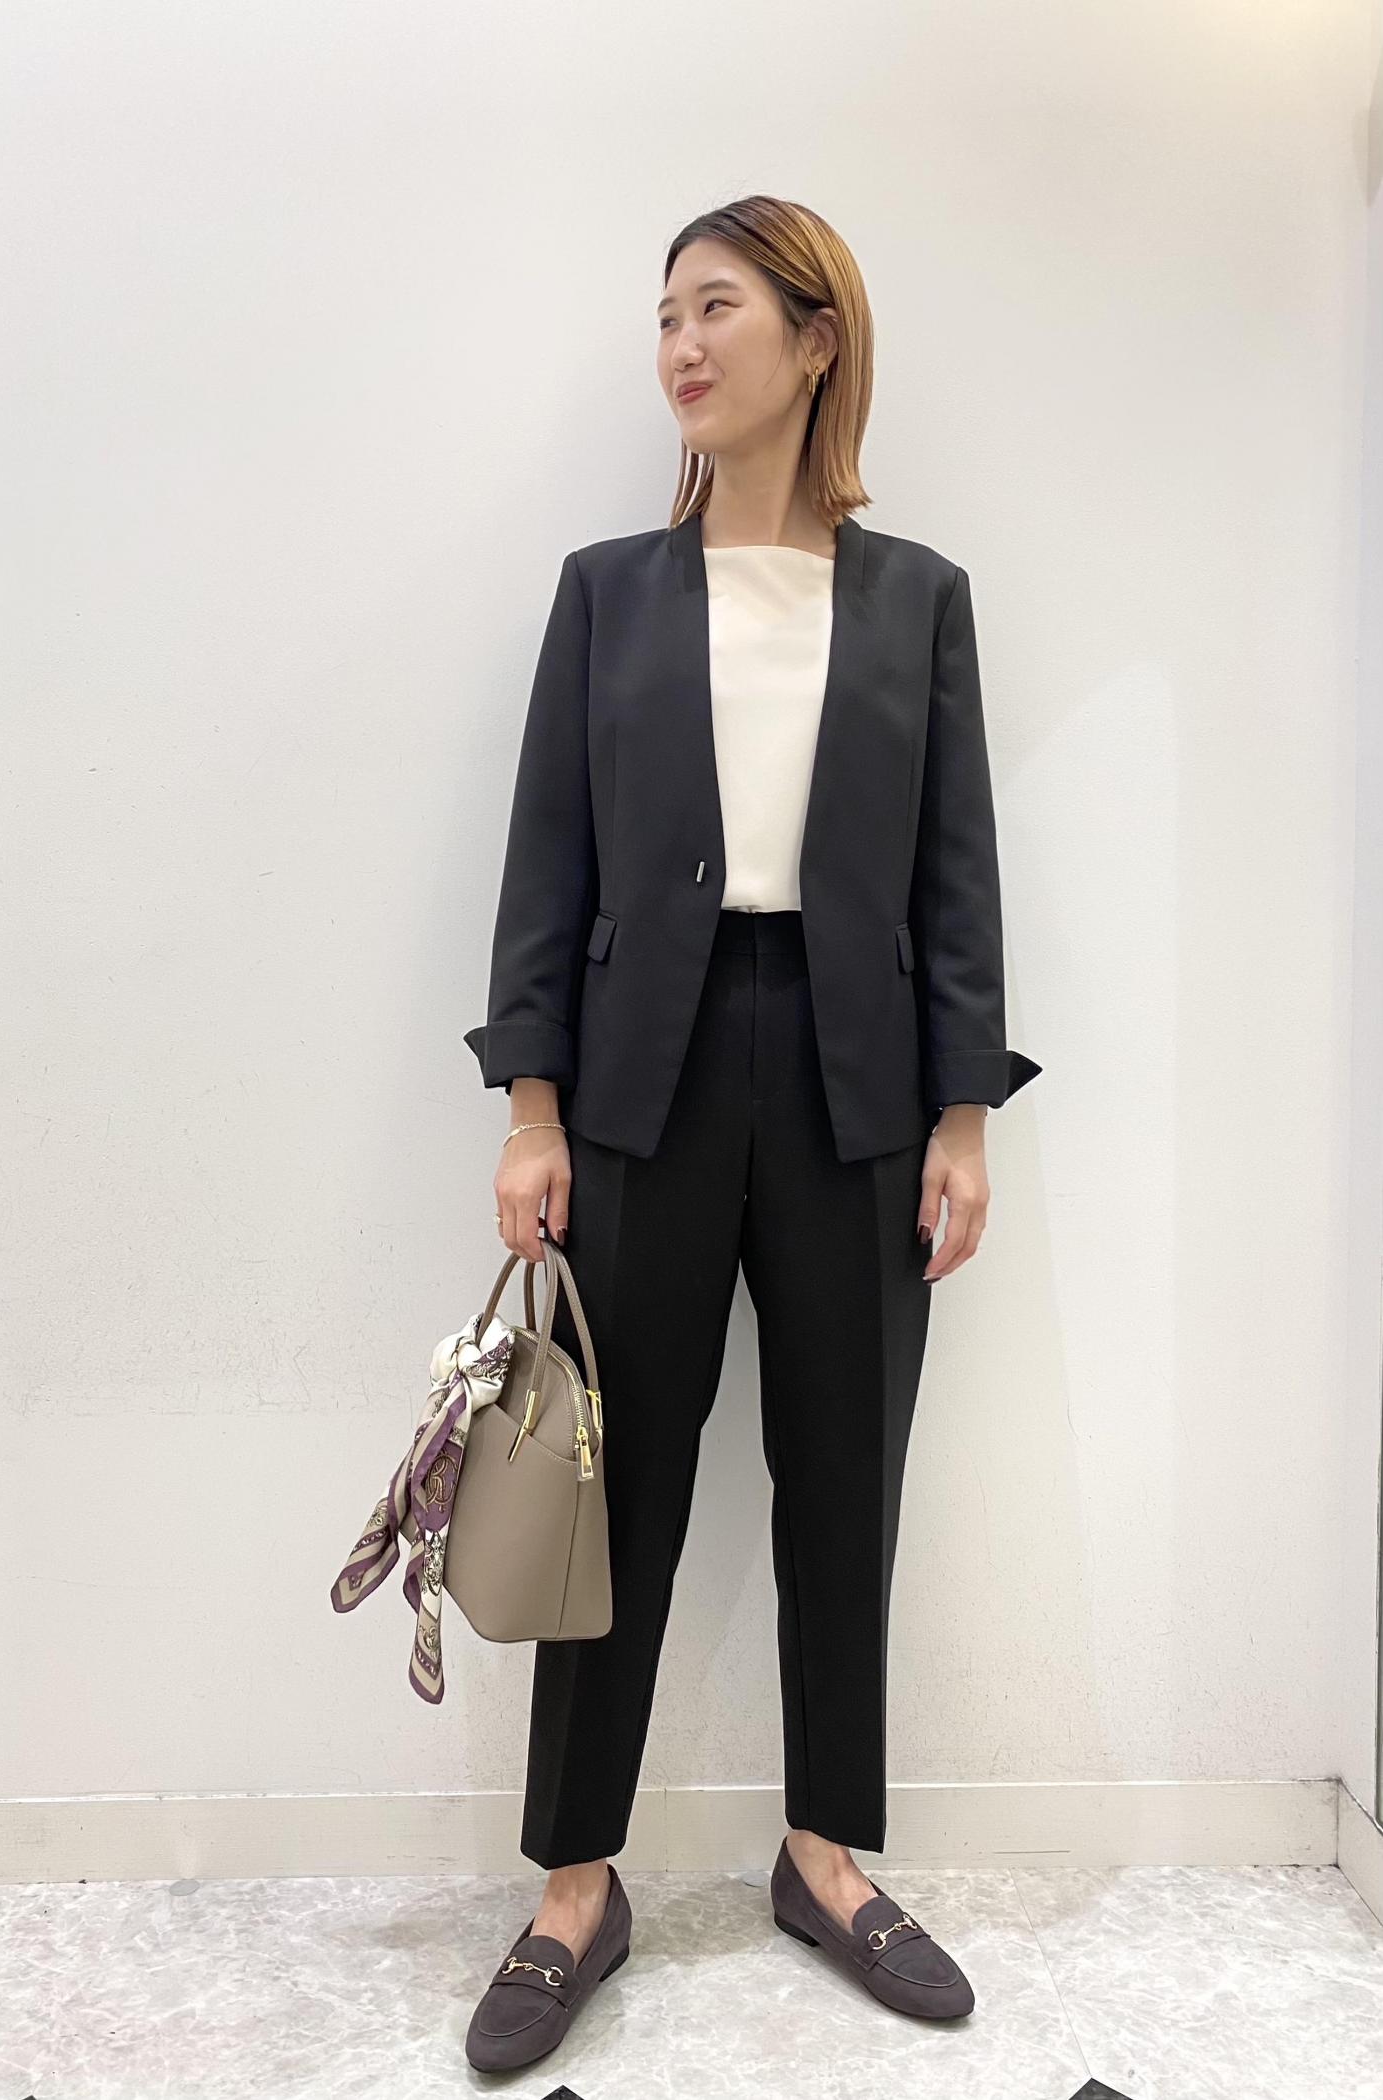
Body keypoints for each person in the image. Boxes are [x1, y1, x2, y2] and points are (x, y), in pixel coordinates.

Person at [459, 193, 1040, 2073]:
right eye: (665, 318)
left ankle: (825, 1857)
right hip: (646, 1076)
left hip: (861, 1085)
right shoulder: (609, 591)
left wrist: (964, 1113)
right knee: (611, 1486)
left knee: (846, 1474)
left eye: (716, 309)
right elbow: (548, 855)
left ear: (815, 338)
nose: (682, 348)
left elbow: (957, 871)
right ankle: (576, 1886)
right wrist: (534, 1105)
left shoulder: (919, 599)